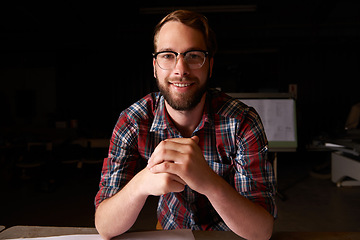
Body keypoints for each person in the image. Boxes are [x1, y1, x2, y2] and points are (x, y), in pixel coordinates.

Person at [94, 10, 277, 240]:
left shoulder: (242, 122)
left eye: (193, 55)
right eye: (168, 56)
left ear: (209, 65)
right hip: (170, 232)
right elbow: (104, 226)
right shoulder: (132, 121)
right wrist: (141, 183)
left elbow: (261, 231)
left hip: (232, 235)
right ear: (154, 66)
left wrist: (208, 181)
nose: (181, 70)